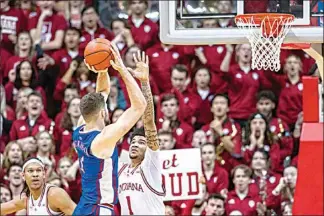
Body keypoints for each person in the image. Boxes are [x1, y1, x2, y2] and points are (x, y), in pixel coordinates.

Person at [72, 43, 147, 215]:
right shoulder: (102, 140)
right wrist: (121, 69)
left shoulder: (80, 128)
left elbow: (103, 90)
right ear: (103, 112)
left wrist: (102, 69)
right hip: (99, 209)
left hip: (84, 206)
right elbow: (139, 106)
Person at [118, 51, 165, 214]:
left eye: (142, 142)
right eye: (134, 141)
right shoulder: (122, 169)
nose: (135, 145)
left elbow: (149, 123)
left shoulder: (151, 164)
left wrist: (144, 83)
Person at [0, 157, 76, 215]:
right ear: (23, 176)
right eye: (30, 171)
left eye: (38, 170)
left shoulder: (55, 194)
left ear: (43, 174)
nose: (35, 174)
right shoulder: (25, 199)